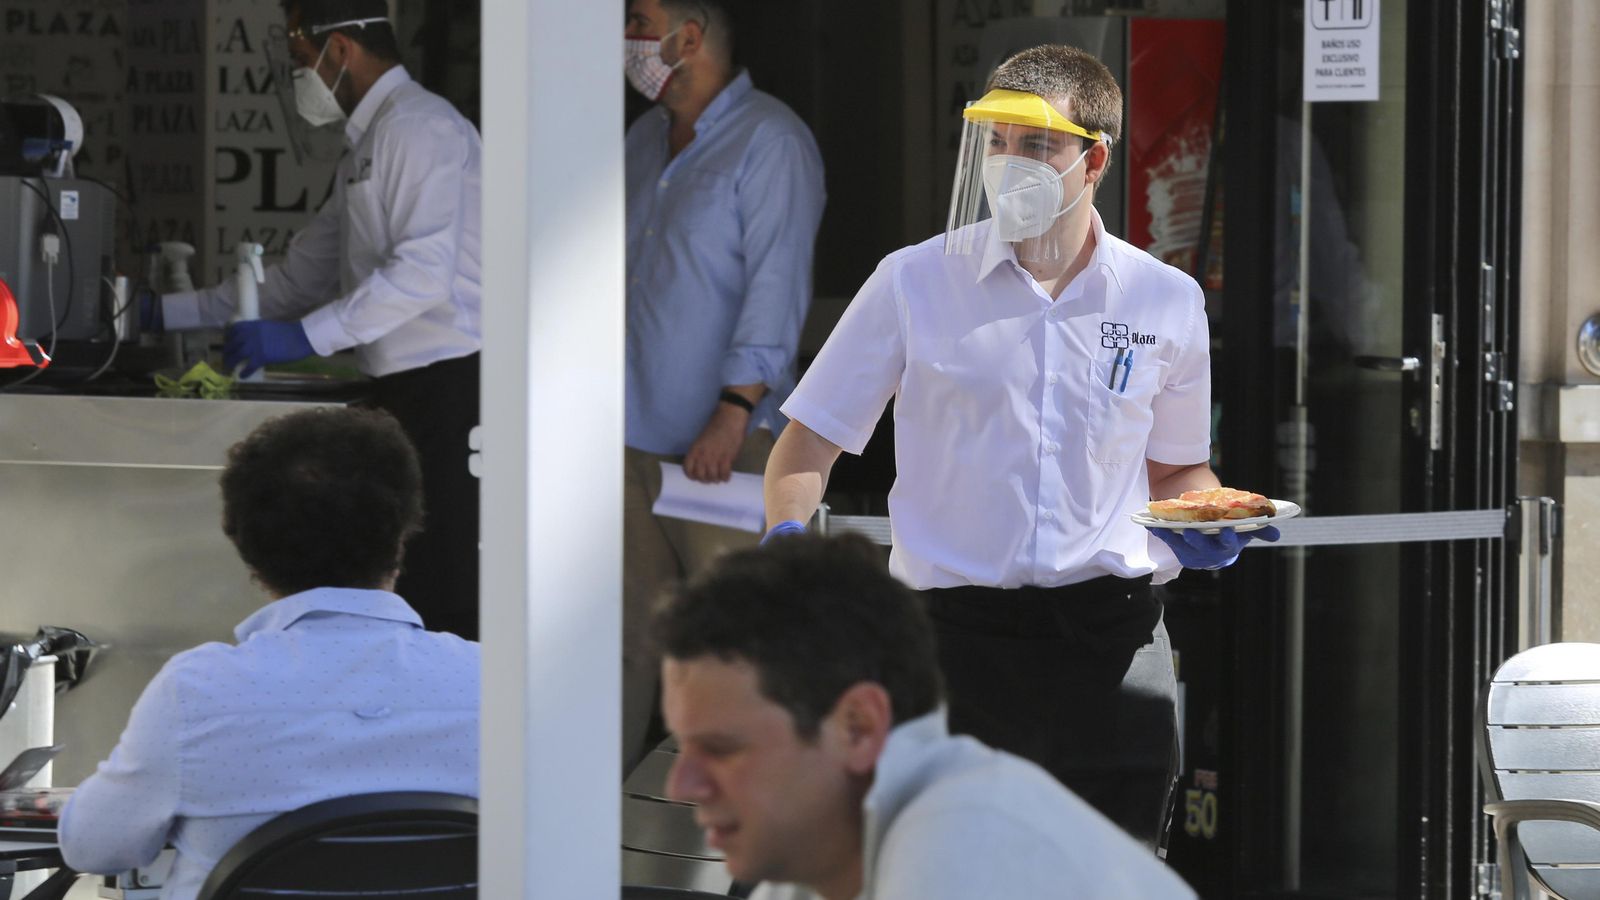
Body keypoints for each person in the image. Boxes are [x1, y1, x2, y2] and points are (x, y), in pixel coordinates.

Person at [761, 44, 1277, 849]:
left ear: (1093, 158)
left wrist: (1209, 520)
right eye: (995, 142)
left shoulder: (1166, 299)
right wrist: (786, 546)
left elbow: (1178, 467)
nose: (1008, 164)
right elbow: (808, 444)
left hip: (1114, 645)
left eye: (1035, 145)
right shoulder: (915, 280)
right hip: (952, 648)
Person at [152, 0, 483, 640]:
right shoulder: (368, 143)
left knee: (445, 593)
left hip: (456, 387)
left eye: (300, 58)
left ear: (339, 50)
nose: (298, 74)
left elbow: (423, 273)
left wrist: (305, 336)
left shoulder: (420, 128)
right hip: (400, 392)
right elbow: (298, 278)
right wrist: (158, 312)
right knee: (401, 587)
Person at [59, 407, 479, 900]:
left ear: (243, 542)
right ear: (404, 529)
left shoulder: (198, 692)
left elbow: (92, 848)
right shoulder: (496, 683)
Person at [654, 535, 1196, 899]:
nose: (682, 784)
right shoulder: (876, 838)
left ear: (859, 727)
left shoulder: (951, 860)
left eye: (724, 748)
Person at [621, 0, 825, 769]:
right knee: (624, 645)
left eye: (638, 20)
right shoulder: (644, 140)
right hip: (629, 434)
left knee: (732, 651)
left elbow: (777, 286)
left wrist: (736, 409)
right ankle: (590, 848)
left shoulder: (770, 140)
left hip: (723, 447)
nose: (627, 39)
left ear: (691, 37)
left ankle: (737, 856)